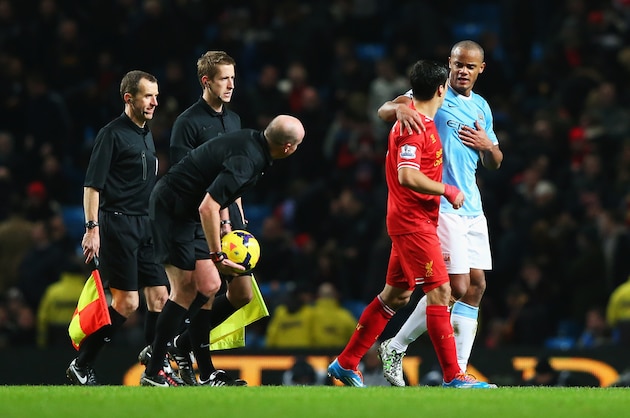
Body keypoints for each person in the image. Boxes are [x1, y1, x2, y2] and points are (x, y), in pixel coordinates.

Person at [327, 59, 492, 388]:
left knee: (397, 295)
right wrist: (447, 189)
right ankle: (453, 376)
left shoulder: (420, 120)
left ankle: (345, 362)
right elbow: (407, 175)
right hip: (412, 221)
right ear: (442, 89)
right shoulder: (415, 126)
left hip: (417, 219)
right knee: (441, 290)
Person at [140, 114, 304, 386]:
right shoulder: (247, 161)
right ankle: (153, 371)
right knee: (184, 290)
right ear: (288, 147)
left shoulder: (253, 143)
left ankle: (203, 370)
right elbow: (208, 206)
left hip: (189, 211)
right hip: (172, 210)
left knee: (210, 284)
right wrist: (217, 255)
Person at [377, 40, 503, 387]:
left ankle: (458, 373)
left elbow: (496, 162)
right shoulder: (436, 93)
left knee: (476, 286)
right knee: (455, 287)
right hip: (442, 206)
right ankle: (396, 345)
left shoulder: (480, 107)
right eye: (457, 64)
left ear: (481, 69)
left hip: (472, 206)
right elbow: (386, 109)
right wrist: (399, 108)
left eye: (469, 66)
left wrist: (487, 146)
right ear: (449, 63)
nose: (462, 71)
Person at [138, 50, 251, 386]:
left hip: (222, 216)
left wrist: (238, 222)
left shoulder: (233, 121)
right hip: (191, 214)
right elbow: (187, 179)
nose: (231, 84)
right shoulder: (188, 123)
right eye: (224, 78)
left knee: (230, 290)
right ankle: (185, 365)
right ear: (207, 81)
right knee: (198, 287)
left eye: (233, 77)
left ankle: (182, 349)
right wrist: (220, 218)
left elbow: (235, 177)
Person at [66, 70, 171, 386]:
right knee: (128, 303)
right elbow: (92, 186)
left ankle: (152, 372)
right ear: (129, 98)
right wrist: (92, 229)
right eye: (148, 96)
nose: (155, 101)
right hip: (118, 223)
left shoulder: (146, 132)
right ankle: (82, 364)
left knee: (160, 297)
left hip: (145, 225)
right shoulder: (111, 134)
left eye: (156, 95)